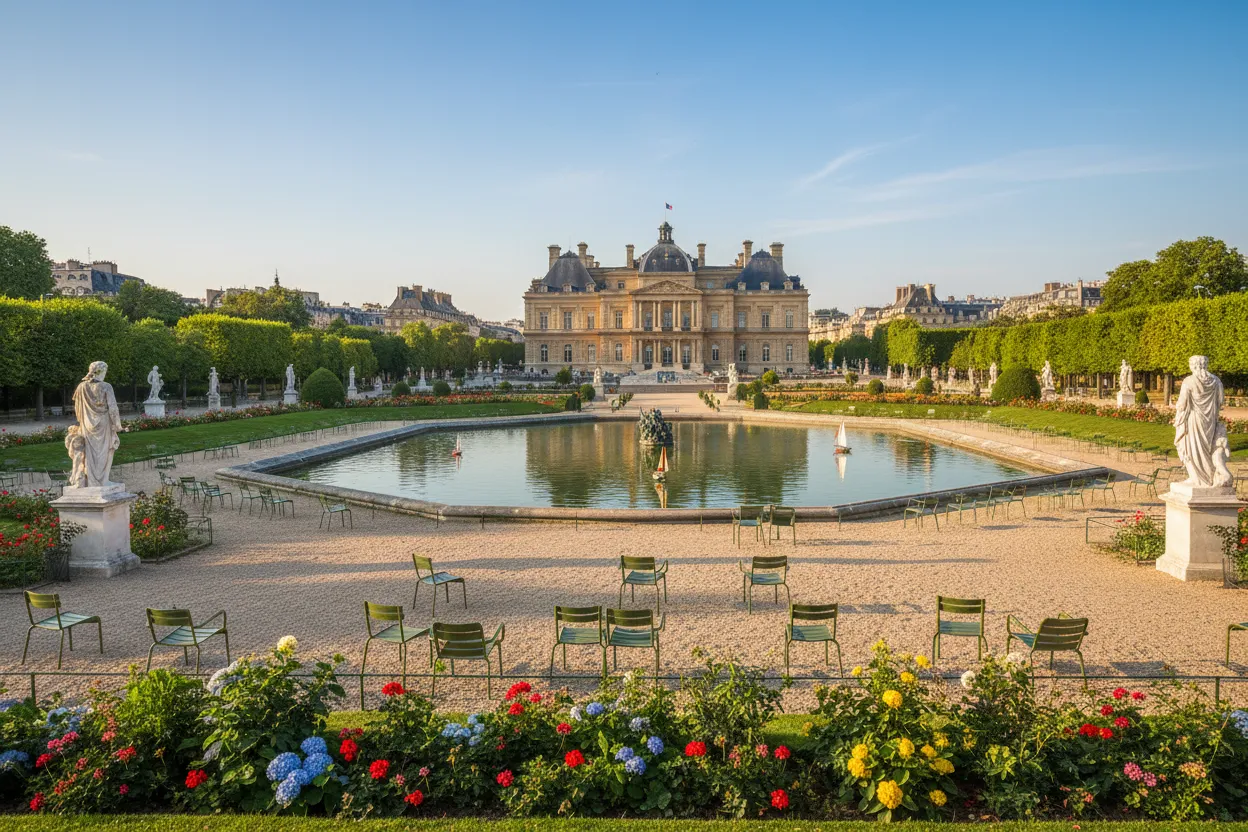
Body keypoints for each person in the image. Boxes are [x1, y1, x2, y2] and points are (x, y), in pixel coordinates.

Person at [1174, 355, 1233, 488]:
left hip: (1193, 419)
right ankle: (1207, 477)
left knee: (1192, 448)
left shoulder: (1189, 381)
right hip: (1210, 420)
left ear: (1193, 366)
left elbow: (1182, 404)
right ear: (1205, 365)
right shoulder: (1216, 381)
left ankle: (1196, 478)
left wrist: (1177, 408)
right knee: (1206, 447)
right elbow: (1221, 401)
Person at [71, 361, 123, 487]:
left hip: (87, 423)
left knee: (89, 451)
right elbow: (113, 408)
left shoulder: (81, 387)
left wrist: (83, 419)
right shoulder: (106, 386)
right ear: (101, 371)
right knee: (105, 451)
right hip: (103, 423)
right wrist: (117, 425)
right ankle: (103, 480)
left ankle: (91, 480)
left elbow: (77, 409)